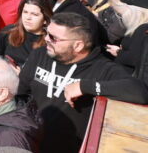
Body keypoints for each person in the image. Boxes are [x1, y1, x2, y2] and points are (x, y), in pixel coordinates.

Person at [18, 12, 148, 153]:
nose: (46, 39)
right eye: (46, 33)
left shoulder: (103, 69)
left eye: (53, 38)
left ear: (78, 45)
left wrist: (86, 86)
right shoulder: (40, 54)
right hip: (29, 143)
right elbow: (21, 94)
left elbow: (140, 92)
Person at [0, 0, 53, 68]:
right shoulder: (8, 32)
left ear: (45, 20)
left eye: (34, 14)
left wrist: (23, 75)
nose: (28, 17)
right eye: (25, 12)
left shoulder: (50, 43)